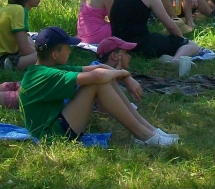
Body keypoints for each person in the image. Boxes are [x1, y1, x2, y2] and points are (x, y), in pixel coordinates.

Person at [18, 26, 178, 145]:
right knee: (98, 83)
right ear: (55, 54)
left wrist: (126, 77)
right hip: (50, 136)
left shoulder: (44, 68)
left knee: (103, 79)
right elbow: (98, 76)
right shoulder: (47, 75)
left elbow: (99, 68)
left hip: (51, 127)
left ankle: (150, 130)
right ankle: (144, 136)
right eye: (67, 48)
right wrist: (124, 74)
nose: (70, 52)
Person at [91, 36, 179, 141]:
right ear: (114, 56)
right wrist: (122, 75)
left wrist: (119, 76)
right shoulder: (98, 73)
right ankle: (145, 135)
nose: (129, 57)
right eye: (126, 53)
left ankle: (152, 130)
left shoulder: (99, 68)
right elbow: (103, 111)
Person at [109, 0, 201, 62]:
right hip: (140, 45)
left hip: (118, 43)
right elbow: (170, 25)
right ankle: (174, 61)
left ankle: (167, 57)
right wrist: (181, 40)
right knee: (192, 46)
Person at [0, 0, 48, 71]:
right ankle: (8, 66)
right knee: (49, 56)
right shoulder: (19, 11)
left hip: (8, 54)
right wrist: (41, 55)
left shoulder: (10, 9)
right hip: (3, 58)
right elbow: (24, 49)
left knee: (29, 38)